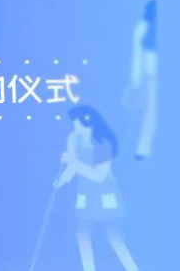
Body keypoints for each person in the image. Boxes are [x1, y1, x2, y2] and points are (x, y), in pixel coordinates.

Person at [55, 105, 140, 271]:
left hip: (105, 194)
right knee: (82, 235)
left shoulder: (103, 143)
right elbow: (72, 165)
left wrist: (74, 163)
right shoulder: (74, 138)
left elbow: (99, 176)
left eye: (77, 122)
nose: (74, 126)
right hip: (85, 194)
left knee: (115, 237)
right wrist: (63, 179)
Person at [124, 0, 160, 160]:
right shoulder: (144, 27)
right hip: (153, 78)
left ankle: (143, 149)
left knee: (152, 112)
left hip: (154, 76)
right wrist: (135, 83)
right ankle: (143, 149)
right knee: (152, 112)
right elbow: (137, 58)